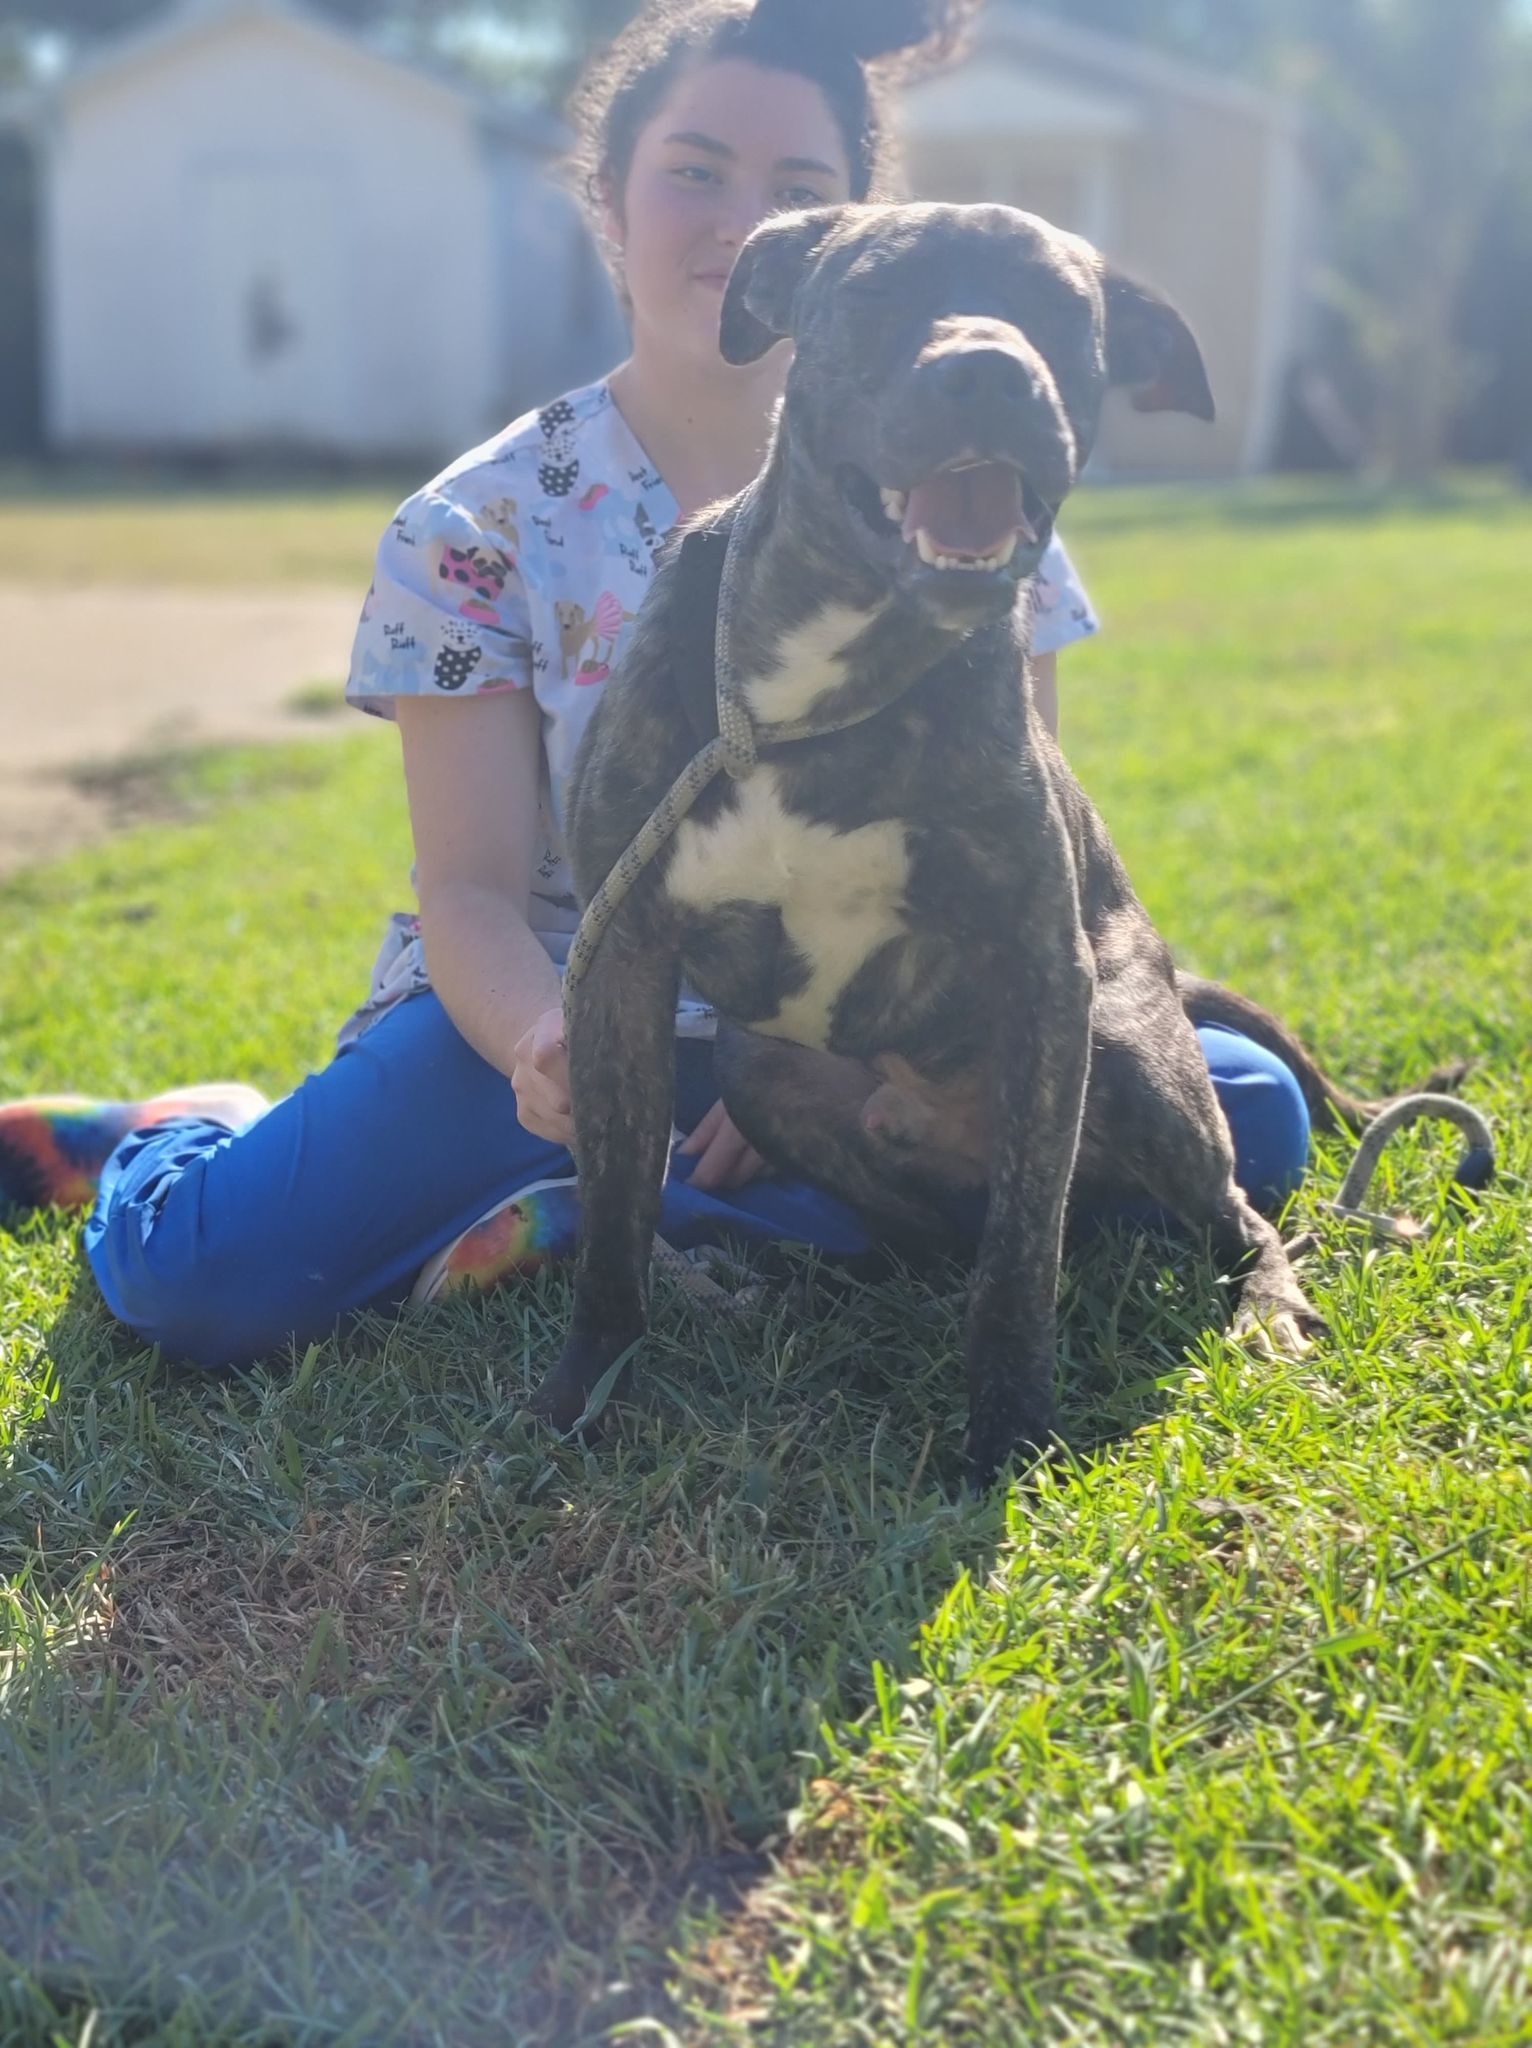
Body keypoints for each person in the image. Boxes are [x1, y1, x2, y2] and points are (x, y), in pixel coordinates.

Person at [0, 0, 1309, 1368]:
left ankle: (676, 1220)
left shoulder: (973, 514)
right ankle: (183, 1138)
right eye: (695, 170)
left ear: (844, 250)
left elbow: (1013, 870)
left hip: (866, 1047)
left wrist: (841, 1060)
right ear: (609, 205)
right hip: (562, 1028)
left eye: (796, 190)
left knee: (1250, 1117)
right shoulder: (476, 525)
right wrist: (552, 1046)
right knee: (209, 1286)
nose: (743, 220)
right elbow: (470, 898)